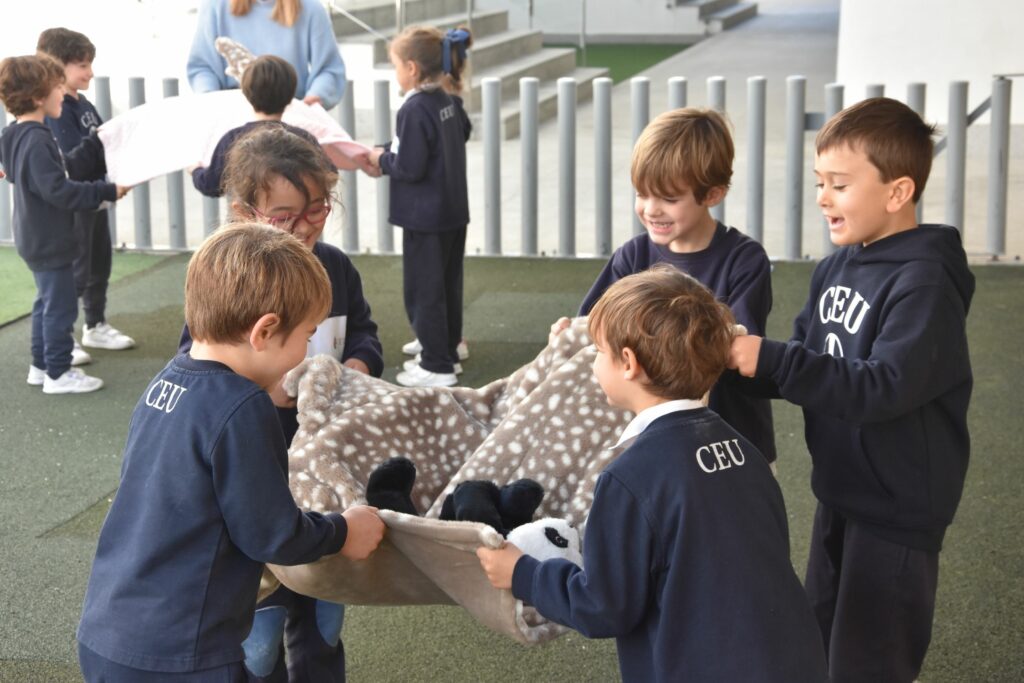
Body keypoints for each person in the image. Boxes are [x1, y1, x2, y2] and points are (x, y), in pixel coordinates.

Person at [477, 265, 827, 682]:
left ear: (628, 363)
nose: (594, 363)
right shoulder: (744, 450)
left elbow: (603, 606)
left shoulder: (629, 477)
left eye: (599, 352)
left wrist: (524, 573)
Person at [728, 97, 974, 683]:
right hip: (839, 492)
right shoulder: (835, 268)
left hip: (896, 509)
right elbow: (805, 362)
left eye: (839, 185)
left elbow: (883, 387)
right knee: (817, 639)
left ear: (898, 192)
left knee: (870, 660)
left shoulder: (925, 282)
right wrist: (727, 362)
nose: (822, 198)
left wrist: (773, 357)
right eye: (820, 182)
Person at [76, 223, 386, 681]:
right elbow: (273, 535)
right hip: (186, 651)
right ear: (265, 331)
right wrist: (344, 531)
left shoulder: (165, 383)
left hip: (107, 635)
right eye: (306, 336)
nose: (306, 352)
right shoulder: (243, 406)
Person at [179, 125, 382, 682]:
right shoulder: (230, 283)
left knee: (324, 617)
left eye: (318, 209)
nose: (306, 226)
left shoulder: (336, 266)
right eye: (286, 216)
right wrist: (257, 389)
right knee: (259, 638)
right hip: (258, 478)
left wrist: (355, 366)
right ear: (245, 213)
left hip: (322, 466)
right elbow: (197, 362)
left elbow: (365, 333)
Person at [552, 107, 777, 466]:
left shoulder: (744, 260)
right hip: (653, 443)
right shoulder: (633, 255)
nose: (651, 209)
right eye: (642, 194)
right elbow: (595, 331)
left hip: (731, 439)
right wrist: (569, 332)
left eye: (669, 199)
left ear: (713, 194)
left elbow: (736, 348)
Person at [0, 54, 129, 395]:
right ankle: (59, 373)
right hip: (51, 238)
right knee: (60, 307)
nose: (64, 94)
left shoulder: (13, 134)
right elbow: (59, 190)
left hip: (33, 235)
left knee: (45, 303)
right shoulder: (38, 139)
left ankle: (41, 367)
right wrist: (107, 191)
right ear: (38, 97)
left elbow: (16, 173)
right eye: (58, 88)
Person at [366, 26, 473, 388]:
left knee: (424, 290)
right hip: (452, 212)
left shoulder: (414, 108)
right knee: (447, 284)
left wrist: (380, 160)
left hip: (424, 218)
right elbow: (455, 135)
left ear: (411, 68)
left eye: (396, 65)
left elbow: (410, 166)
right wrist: (387, 151)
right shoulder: (447, 100)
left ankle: (436, 365)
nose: (395, 72)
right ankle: (446, 346)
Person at [36, 27, 136, 361]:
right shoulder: (56, 111)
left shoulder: (86, 105)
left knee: (98, 267)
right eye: (82, 65)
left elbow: (105, 147)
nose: (90, 72)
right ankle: (63, 338)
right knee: (75, 274)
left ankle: (95, 325)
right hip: (74, 205)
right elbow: (72, 165)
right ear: (56, 66)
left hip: (96, 201)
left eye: (90, 64)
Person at [191, 54, 328, 198]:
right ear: (290, 97)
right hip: (297, 210)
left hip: (252, 212)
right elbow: (328, 174)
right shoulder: (303, 137)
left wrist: (196, 171)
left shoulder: (232, 138)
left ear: (246, 94)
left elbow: (212, 185)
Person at [188, 0, 347, 110]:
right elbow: (203, 68)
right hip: (231, 113)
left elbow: (329, 70)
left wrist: (314, 98)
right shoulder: (215, 5)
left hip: (290, 114)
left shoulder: (311, 8)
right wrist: (210, 100)